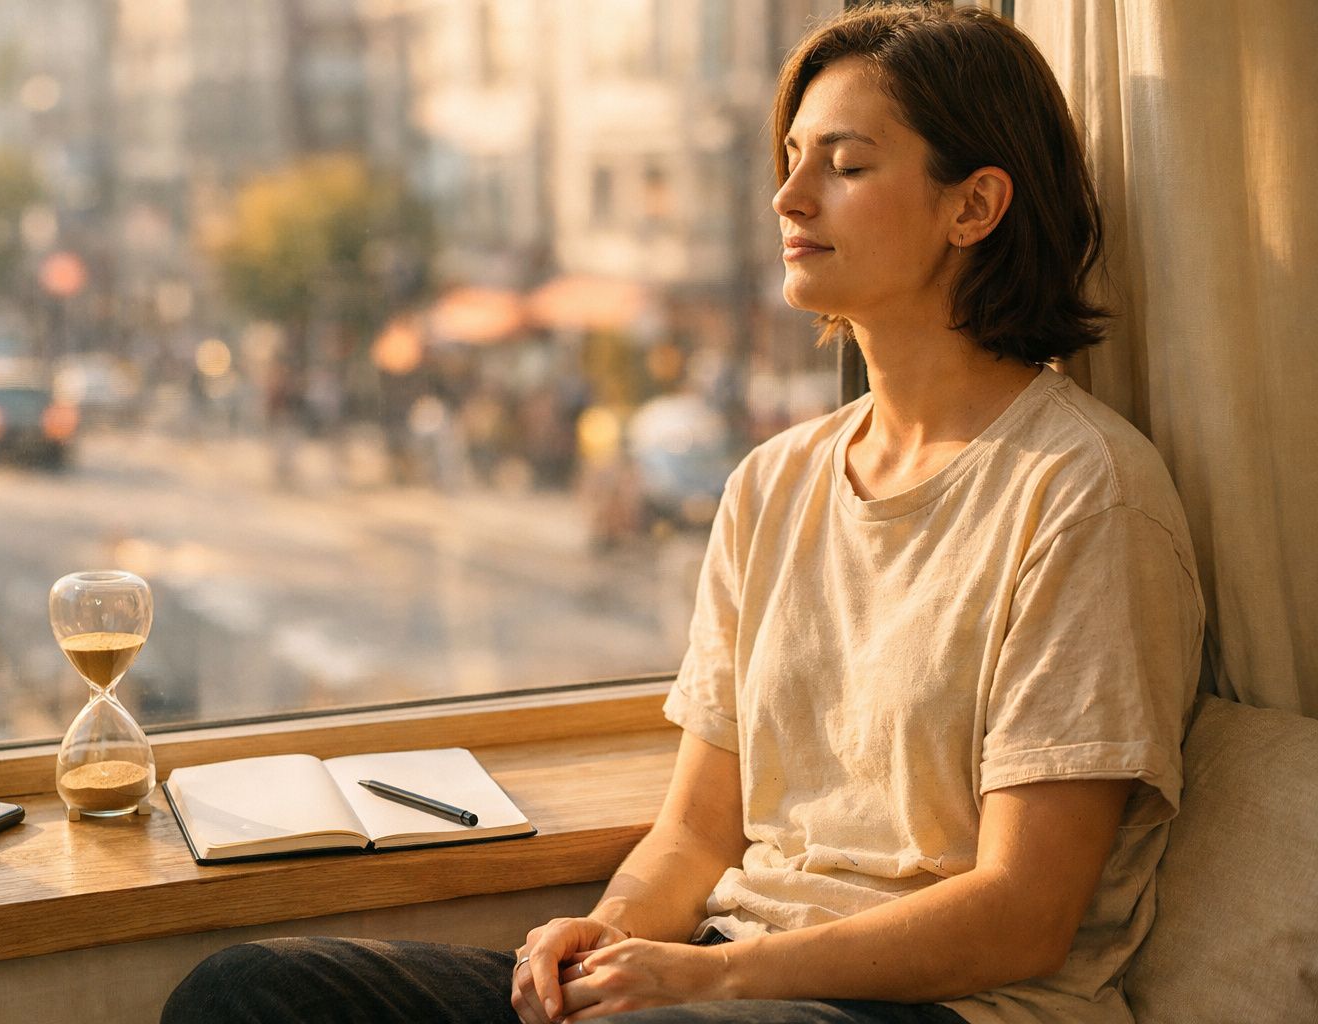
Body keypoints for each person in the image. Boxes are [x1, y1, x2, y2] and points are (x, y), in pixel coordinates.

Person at [160, 5, 1204, 1023]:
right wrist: (604, 932)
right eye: (790, 159)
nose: (789, 197)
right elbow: (698, 832)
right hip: (731, 969)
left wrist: (701, 982)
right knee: (248, 990)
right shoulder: (772, 482)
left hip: (944, 1003)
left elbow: (1023, 916)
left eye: (845, 165)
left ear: (972, 207)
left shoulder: (1083, 491)